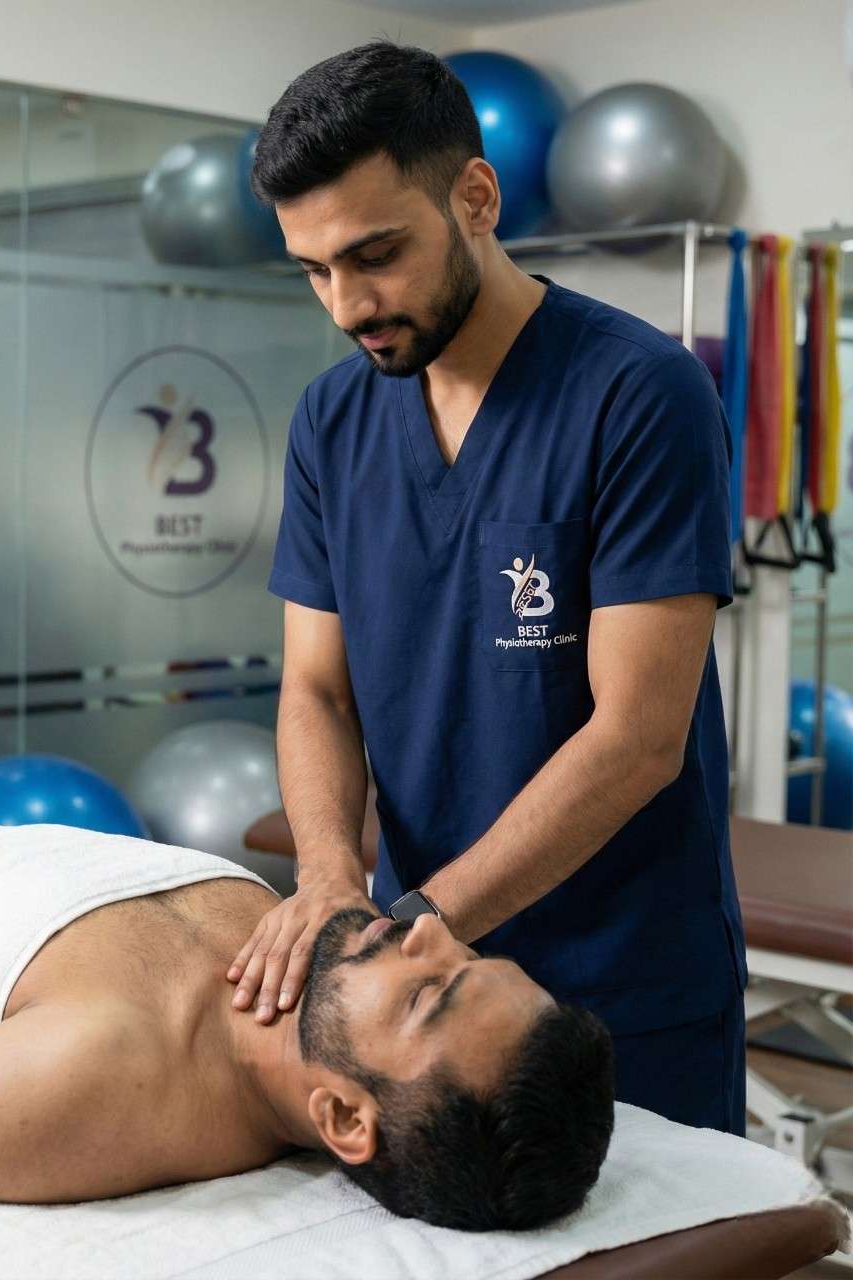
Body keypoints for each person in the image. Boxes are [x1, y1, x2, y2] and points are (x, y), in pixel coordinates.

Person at [228, 41, 748, 1136]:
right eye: (314, 271)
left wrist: (412, 924)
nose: (347, 304)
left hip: (621, 986)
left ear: (475, 197)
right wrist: (329, 879)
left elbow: (638, 738)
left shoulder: (638, 394)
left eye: (375, 254)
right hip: (421, 1016)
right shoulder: (331, 420)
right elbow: (317, 689)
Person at [0, 806, 612, 1231]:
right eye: (469, 955)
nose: (429, 930)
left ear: (342, 1117)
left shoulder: (88, 1082)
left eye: (428, 993)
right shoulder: (294, 937)